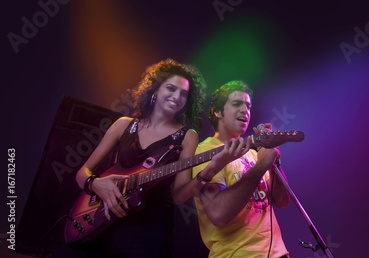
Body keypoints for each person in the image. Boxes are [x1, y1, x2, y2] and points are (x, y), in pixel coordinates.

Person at [53, 59, 207, 257]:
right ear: (156, 89)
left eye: (184, 94)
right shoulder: (123, 125)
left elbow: (178, 195)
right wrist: (95, 184)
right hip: (102, 218)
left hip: (148, 229)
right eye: (171, 88)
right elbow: (82, 173)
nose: (177, 97)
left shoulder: (188, 135)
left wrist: (208, 172)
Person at [191, 80, 291, 257]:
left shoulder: (253, 154)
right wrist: (261, 166)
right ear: (217, 111)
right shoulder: (206, 151)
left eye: (248, 106)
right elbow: (218, 213)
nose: (245, 110)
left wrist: (274, 161)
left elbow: (282, 202)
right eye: (237, 104)